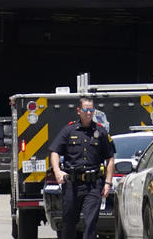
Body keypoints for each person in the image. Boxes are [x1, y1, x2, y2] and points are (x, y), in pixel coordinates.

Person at [49, 97, 115, 239]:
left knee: (90, 222)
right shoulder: (68, 130)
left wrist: (108, 182)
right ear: (79, 111)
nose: (89, 113)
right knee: (69, 222)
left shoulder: (101, 132)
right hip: (72, 184)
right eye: (86, 109)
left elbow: (110, 157)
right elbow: (54, 152)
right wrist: (57, 171)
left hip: (93, 184)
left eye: (91, 110)